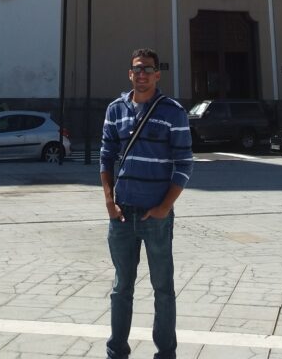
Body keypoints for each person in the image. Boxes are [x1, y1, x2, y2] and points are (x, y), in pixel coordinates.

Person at [100, 49, 193, 359]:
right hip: (122, 215)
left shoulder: (173, 111)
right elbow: (105, 157)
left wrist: (165, 206)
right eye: (137, 69)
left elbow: (183, 163)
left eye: (148, 69)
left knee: (163, 289)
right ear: (130, 73)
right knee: (120, 288)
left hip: (156, 215)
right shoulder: (115, 109)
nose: (141, 74)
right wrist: (109, 203)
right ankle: (116, 351)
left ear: (157, 75)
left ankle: (166, 353)